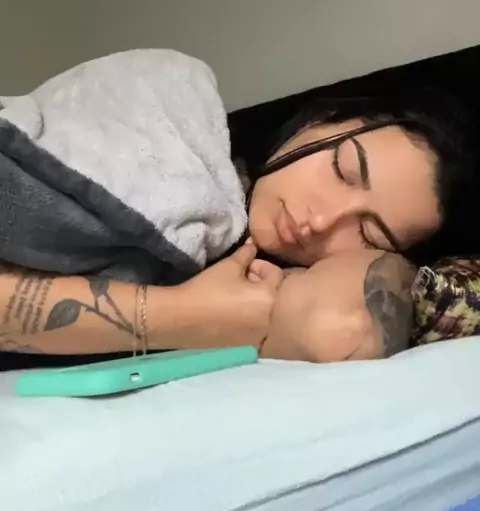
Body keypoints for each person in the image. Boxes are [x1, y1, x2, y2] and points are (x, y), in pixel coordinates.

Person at [0, 87, 476, 365]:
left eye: (368, 233)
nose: (321, 221)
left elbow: (343, 325)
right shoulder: (175, 136)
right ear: (320, 121)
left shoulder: (270, 277)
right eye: (344, 170)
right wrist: (178, 316)